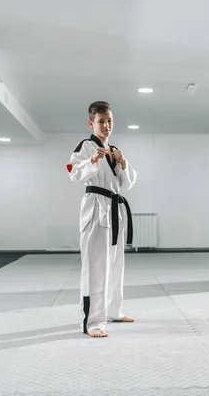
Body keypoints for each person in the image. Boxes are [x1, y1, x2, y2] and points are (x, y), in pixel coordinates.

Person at [66, 101, 137, 338]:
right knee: (96, 267)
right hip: (96, 210)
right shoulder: (85, 147)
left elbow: (126, 184)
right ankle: (93, 321)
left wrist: (124, 164)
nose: (106, 126)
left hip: (115, 210)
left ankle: (113, 311)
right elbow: (74, 174)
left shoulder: (115, 150)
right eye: (101, 121)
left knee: (116, 265)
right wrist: (93, 161)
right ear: (91, 123)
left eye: (110, 121)